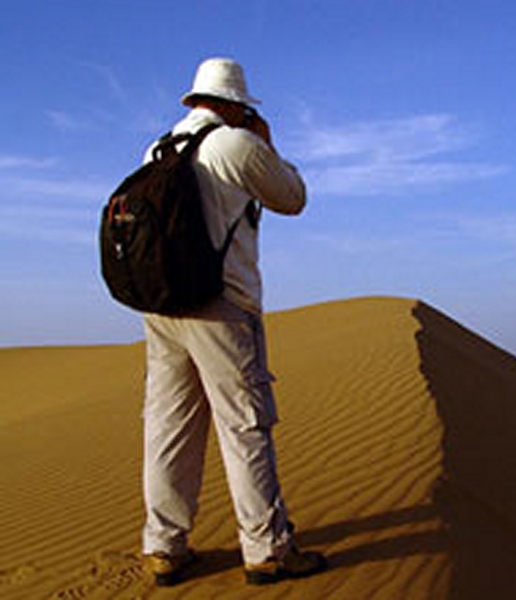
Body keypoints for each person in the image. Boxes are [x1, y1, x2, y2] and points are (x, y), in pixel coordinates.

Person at [140, 57, 326, 586]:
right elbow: (293, 198)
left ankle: (164, 546)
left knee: (168, 428)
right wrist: (266, 143)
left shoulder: (157, 148)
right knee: (245, 425)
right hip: (222, 307)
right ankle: (266, 548)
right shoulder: (235, 145)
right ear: (233, 105)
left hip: (162, 306)